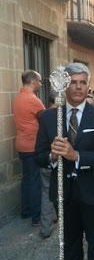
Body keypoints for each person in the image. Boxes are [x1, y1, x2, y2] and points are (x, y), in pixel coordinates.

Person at [35, 62, 94, 260]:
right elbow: (39, 156)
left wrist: (76, 155)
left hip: (93, 191)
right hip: (63, 193)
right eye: (73, 82)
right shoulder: (48, 117)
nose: (78, 87)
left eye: (83, 83)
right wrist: (53, 156)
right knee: (70, 245)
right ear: (64, 85)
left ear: (88, 86)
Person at [13, 69, 45, 226]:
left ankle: (25, 211)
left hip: (21, 144)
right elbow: (45, 119)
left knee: (26, 179)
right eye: (39, 81)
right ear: (33, 81)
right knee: (34, 181)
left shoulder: (18, 97)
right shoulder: (32, 99)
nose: (40, 83)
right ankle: (36, 217)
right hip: (32, 145)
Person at [39, 94, 57, 238]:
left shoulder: (43, 115)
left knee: (47, 193)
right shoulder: (55, 117)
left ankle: (46, 226)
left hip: (47, 160)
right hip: (52, 160)